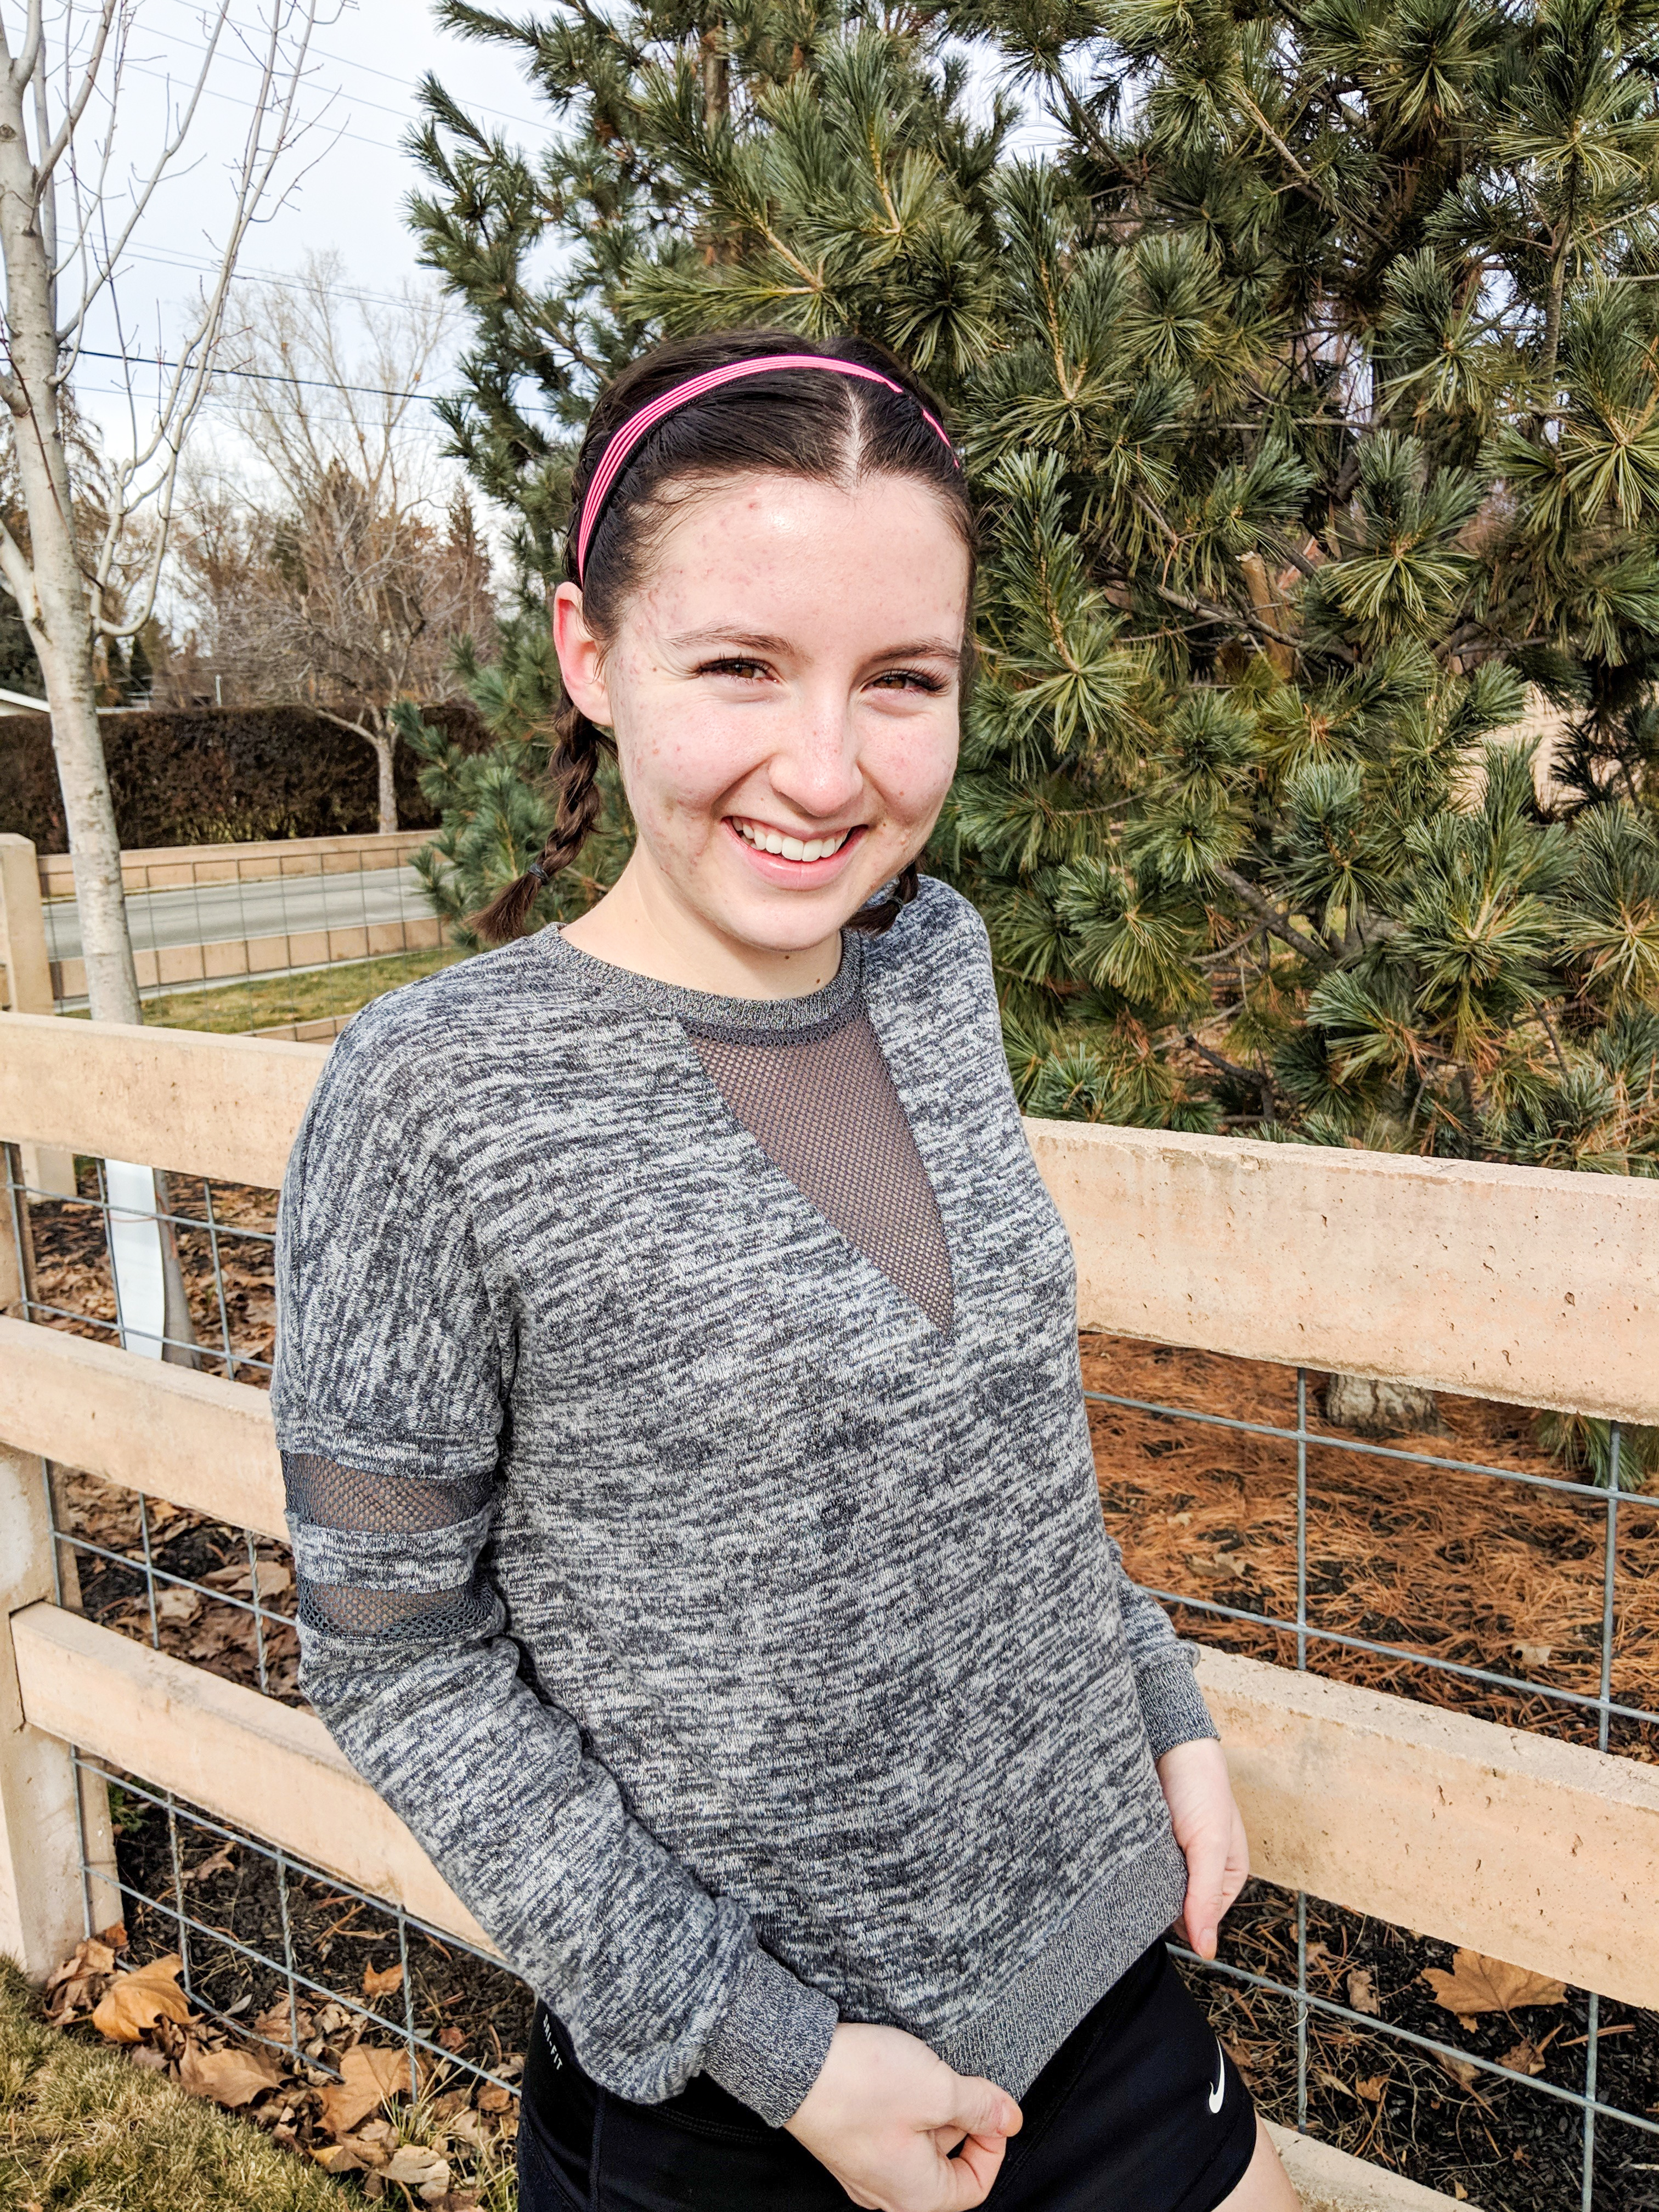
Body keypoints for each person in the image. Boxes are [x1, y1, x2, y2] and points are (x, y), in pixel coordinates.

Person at [273, 329, 1300, 2212]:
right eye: (741, 665)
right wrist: (783, 2056)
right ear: (590, 655)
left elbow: (1007, 1447)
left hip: (1101, 1982)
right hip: (738, 2106)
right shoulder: (434, 1099)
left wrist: (1159, 1710)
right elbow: (398, 1661)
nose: (825, 772)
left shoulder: (935, 971)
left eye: (903, 680)